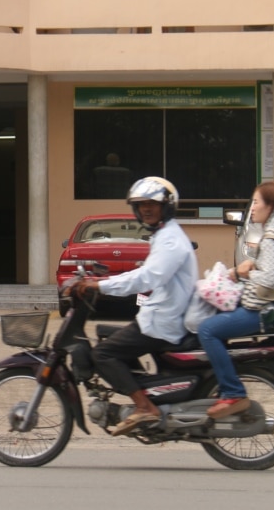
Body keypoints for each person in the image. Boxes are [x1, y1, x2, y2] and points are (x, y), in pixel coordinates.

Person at [73, 176, 198, 436]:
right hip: (158, 315)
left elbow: (147, 278)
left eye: (152, 204)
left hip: (162, 321)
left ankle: (144, 407)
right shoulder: (164, 235)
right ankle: (146, 396)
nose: (146, 209)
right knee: (106, 334)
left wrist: (100, 285)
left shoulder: (170, 240)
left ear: (167, 206)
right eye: (141, 205)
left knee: (103, 354)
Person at [196, 182, 274, 419]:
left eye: (256, 202)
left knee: (207, 330)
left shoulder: (272, 237)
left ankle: (233, 392)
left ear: (272, 207)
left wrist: (242, 273)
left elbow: (270, 280)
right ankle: (219, 381)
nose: (252, 208)